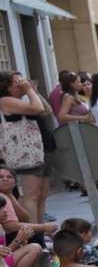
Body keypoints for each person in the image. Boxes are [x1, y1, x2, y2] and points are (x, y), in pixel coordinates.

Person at [0, 71, 53, 227]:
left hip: (42, 149)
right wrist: (29, 91)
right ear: (7, 86)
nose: (23, 83)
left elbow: (47, 111)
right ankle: (34, 234)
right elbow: (38, 109)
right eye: (18, 81)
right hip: (27, 153)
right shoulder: (5, 101)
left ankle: (41, 231)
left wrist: (34, 92)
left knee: (42, 194)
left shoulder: (25, 99)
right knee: (32, 195)